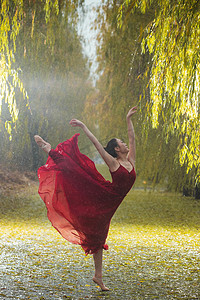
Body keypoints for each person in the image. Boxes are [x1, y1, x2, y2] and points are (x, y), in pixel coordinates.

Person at [34, 106, 137, 291]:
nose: (126, 144)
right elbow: (97, 144)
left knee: (99, 234)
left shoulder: (131, 160)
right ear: (116, 148)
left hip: (110, 204)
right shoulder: (114, 163)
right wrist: (83, 126)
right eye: (122, 143)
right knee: (76, 173)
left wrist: (128, 119)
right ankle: (50, 150)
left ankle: (98, 276)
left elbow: (132, 138)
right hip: (103, 196)